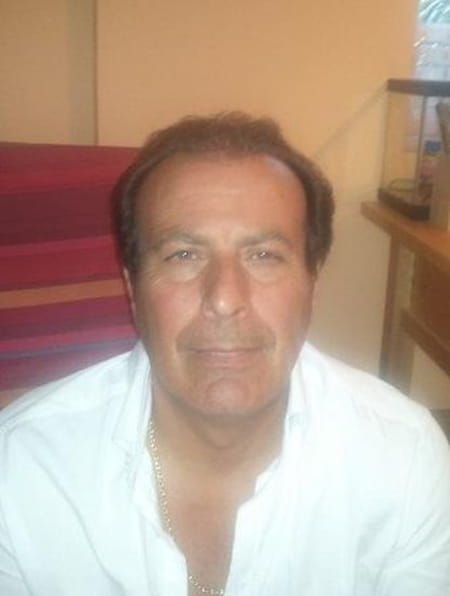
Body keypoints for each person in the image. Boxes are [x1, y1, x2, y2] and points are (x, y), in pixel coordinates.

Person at [0, 113, 449, 596]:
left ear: (312, 284)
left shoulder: (404, 460)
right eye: (183, 255)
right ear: (133, 289)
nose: (224, 299)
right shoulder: (22, 472)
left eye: (264, 255)